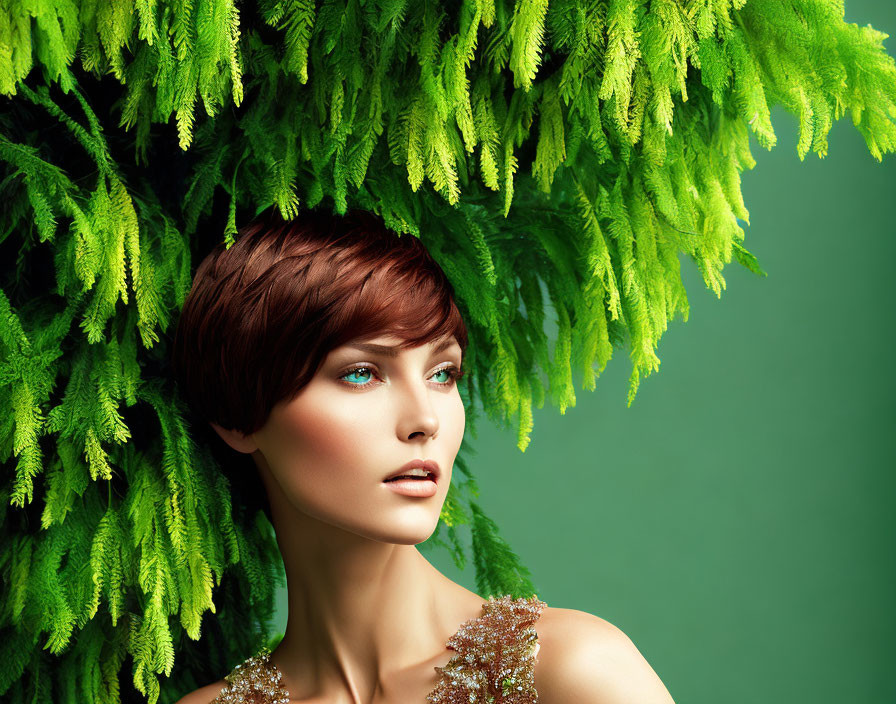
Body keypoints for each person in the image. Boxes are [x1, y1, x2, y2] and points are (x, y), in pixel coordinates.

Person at [171, 207, 675, 704]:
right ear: (237, 417)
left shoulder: (571, 671)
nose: (425, 420)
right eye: (361, 373)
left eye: (442, 374)